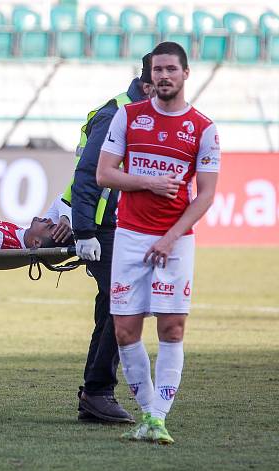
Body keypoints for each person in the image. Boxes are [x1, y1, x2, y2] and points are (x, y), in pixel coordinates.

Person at [96, 42, 220, 444]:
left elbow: (205, 195)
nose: (164, 76)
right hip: (130, 236)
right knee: (125, 332)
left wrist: (169, 238)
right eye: (157, 70)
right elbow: (104, 174)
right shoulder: (128, 117)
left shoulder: (203, 128)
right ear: (149, 76)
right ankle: (149, 416)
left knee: (173, 327)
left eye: (171, 69)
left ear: (186, 74)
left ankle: (158, 417)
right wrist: (149, 181)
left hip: (176, 241)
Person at [67, 54, 154, 424]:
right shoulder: (117, 113)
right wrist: (84, 231)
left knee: (113, 307)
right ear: (148, 84)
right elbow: (88, 174)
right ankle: (98, 391)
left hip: (125, 228)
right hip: (103, 230)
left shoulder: (143, 115)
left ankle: (95, 392)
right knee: (124, 305)